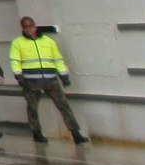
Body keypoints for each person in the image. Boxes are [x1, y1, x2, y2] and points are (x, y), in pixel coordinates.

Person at [9, 16, 88, 144]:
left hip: (51, 80)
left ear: (35, 26)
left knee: (63, 106)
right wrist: (19, 76)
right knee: (32, 108)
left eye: (30, 27)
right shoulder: (17, 43)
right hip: (30, 81)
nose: (29, 29)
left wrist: (64, 75)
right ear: (23, 28)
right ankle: (37, 133)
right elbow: (15, 61)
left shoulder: (48, 41)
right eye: (26, 27)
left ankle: (76, 133)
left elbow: (57, 59)